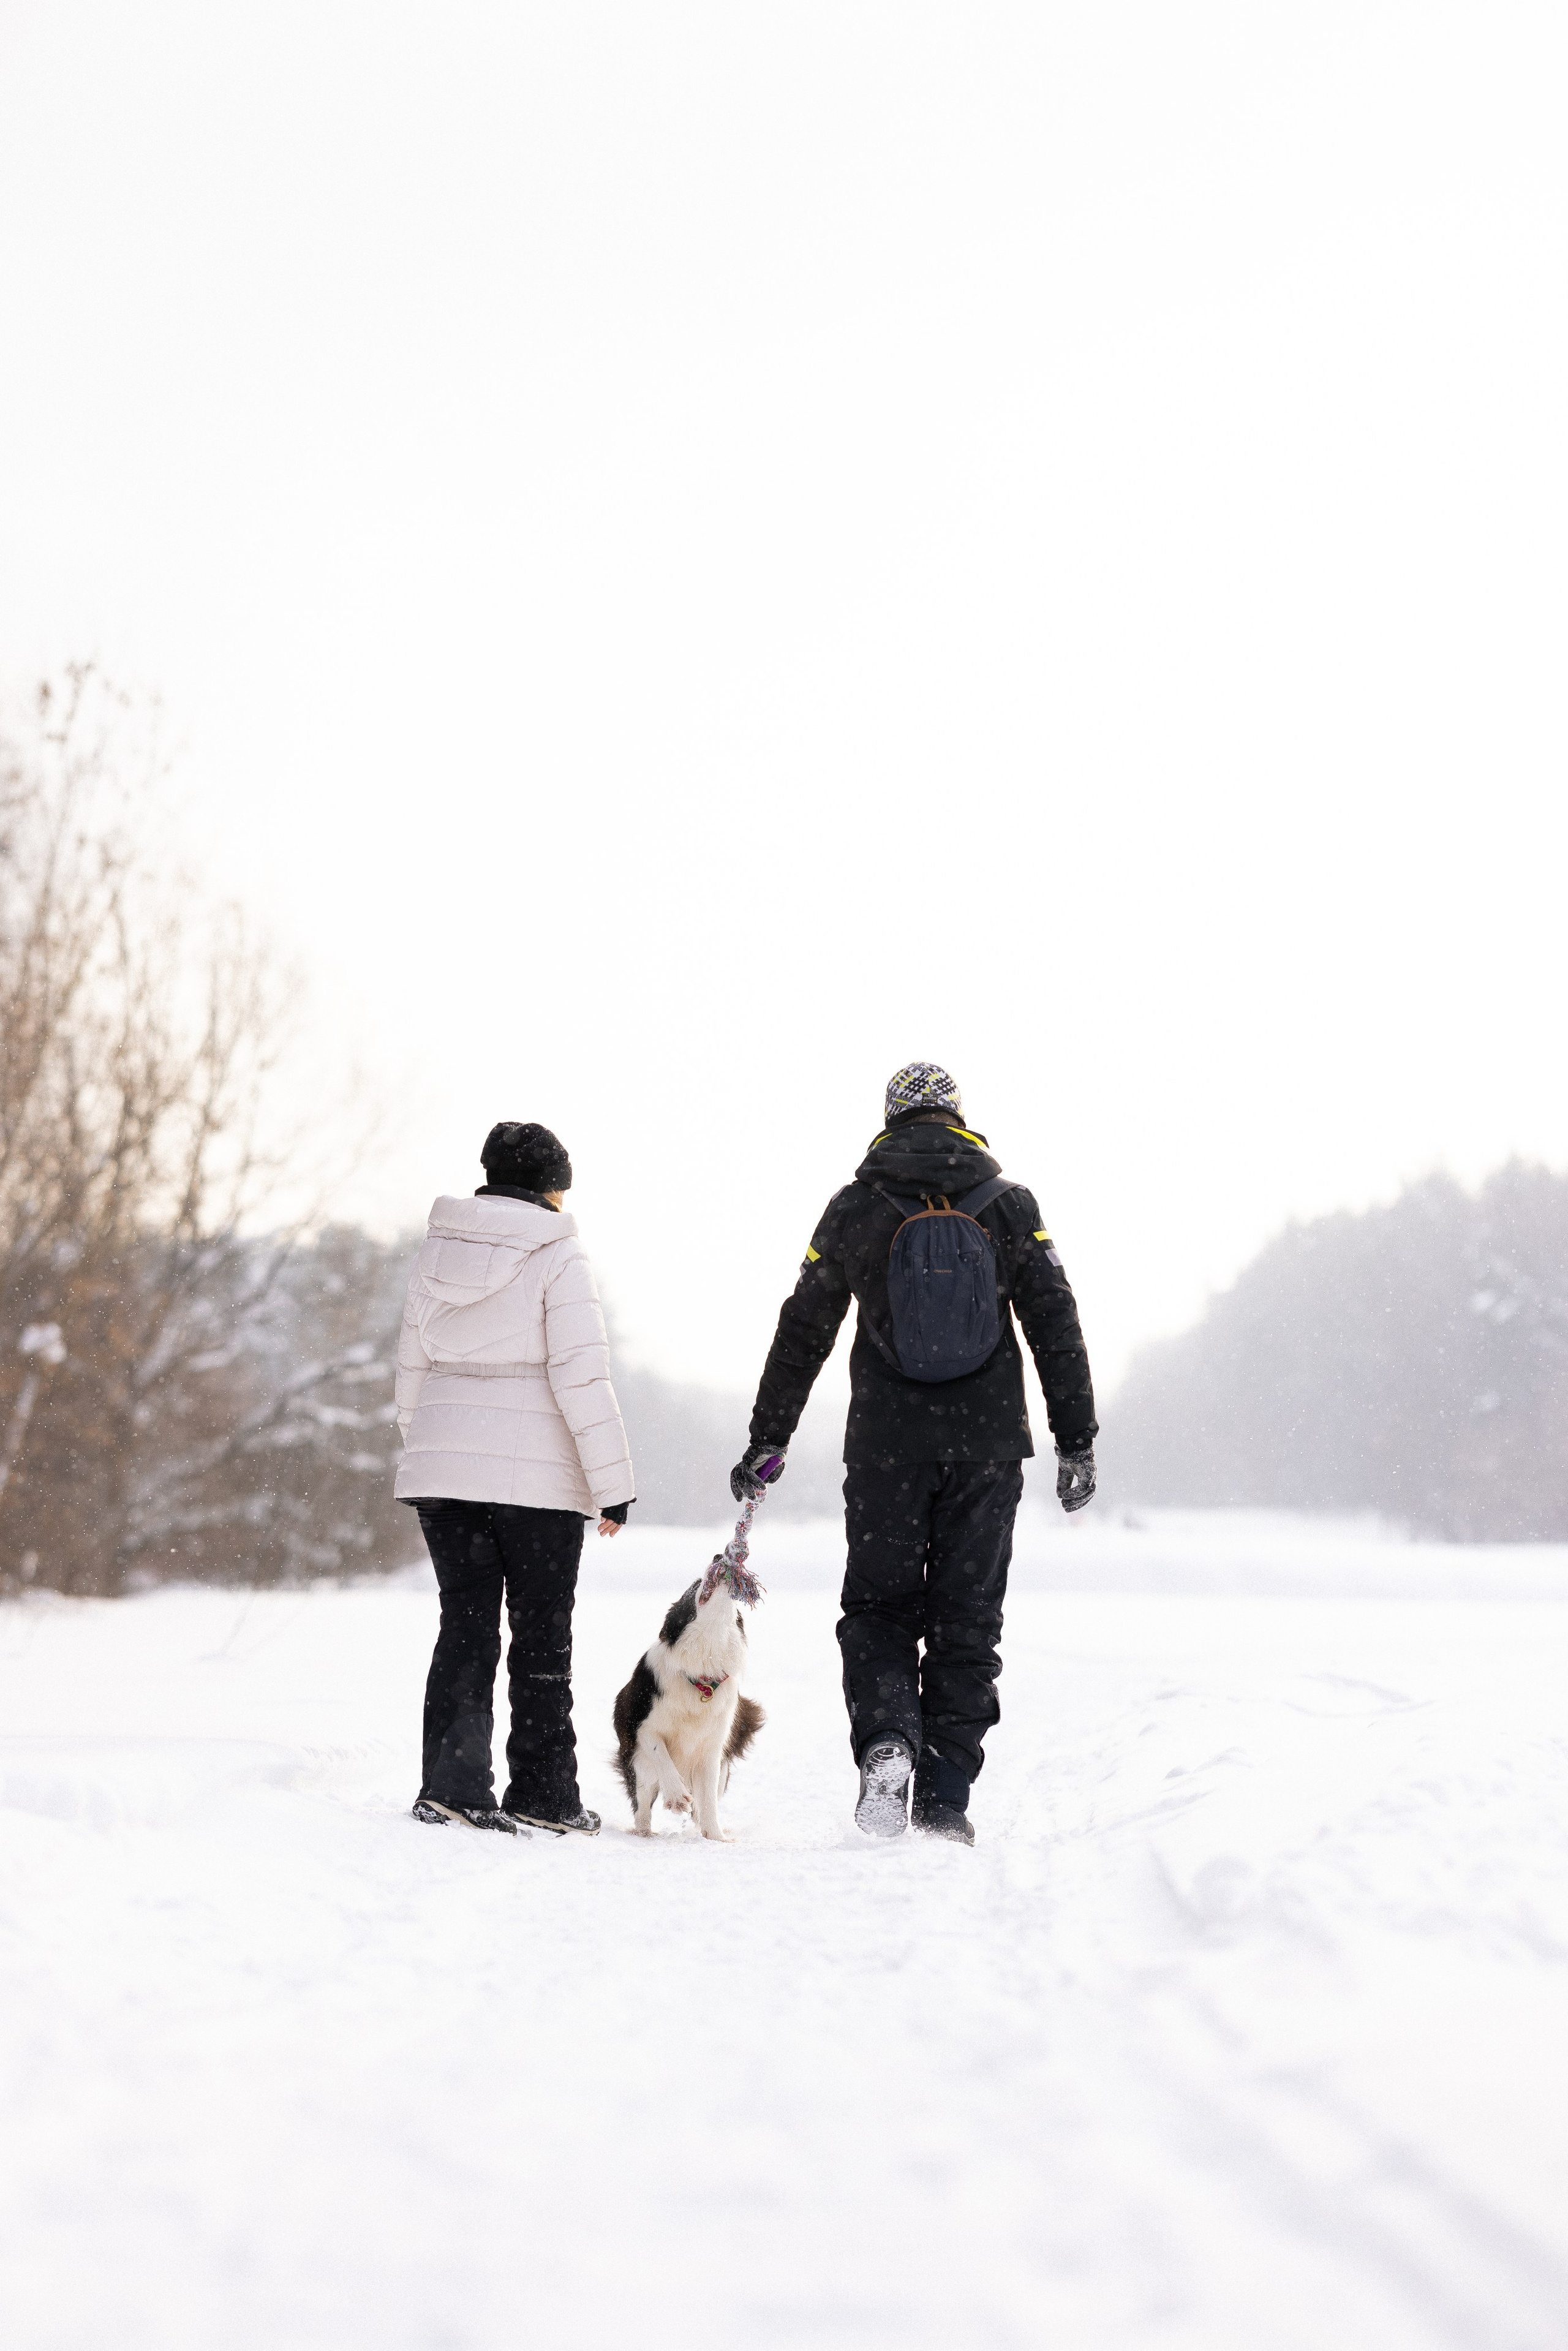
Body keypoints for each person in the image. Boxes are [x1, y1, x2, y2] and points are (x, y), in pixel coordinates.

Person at [731, 1063, 1096, 1846]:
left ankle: (888, 1738)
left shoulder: (857, 1205)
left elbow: (804, 1327)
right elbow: (1055, 1321)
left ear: (890, 1119)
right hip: (989, 1446)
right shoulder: (1009, 1206)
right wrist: (1077, 1439)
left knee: (878, 1608)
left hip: (886, 1446)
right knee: (968, 1621)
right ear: (959, 1116)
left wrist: (770, 1436)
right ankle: (945, 1798)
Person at [394, 1120, 635, 1836]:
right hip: (539, 1479)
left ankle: (452, 1786)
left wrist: (430, 1448)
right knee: (541, 1635)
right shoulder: (559, 1254)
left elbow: (411, 1368)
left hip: (442, 1469)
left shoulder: (437, 1252)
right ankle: (544, 1795)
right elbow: (581, 1376)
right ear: (549, 1186)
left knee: (464, 1627)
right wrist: (611, 1482)